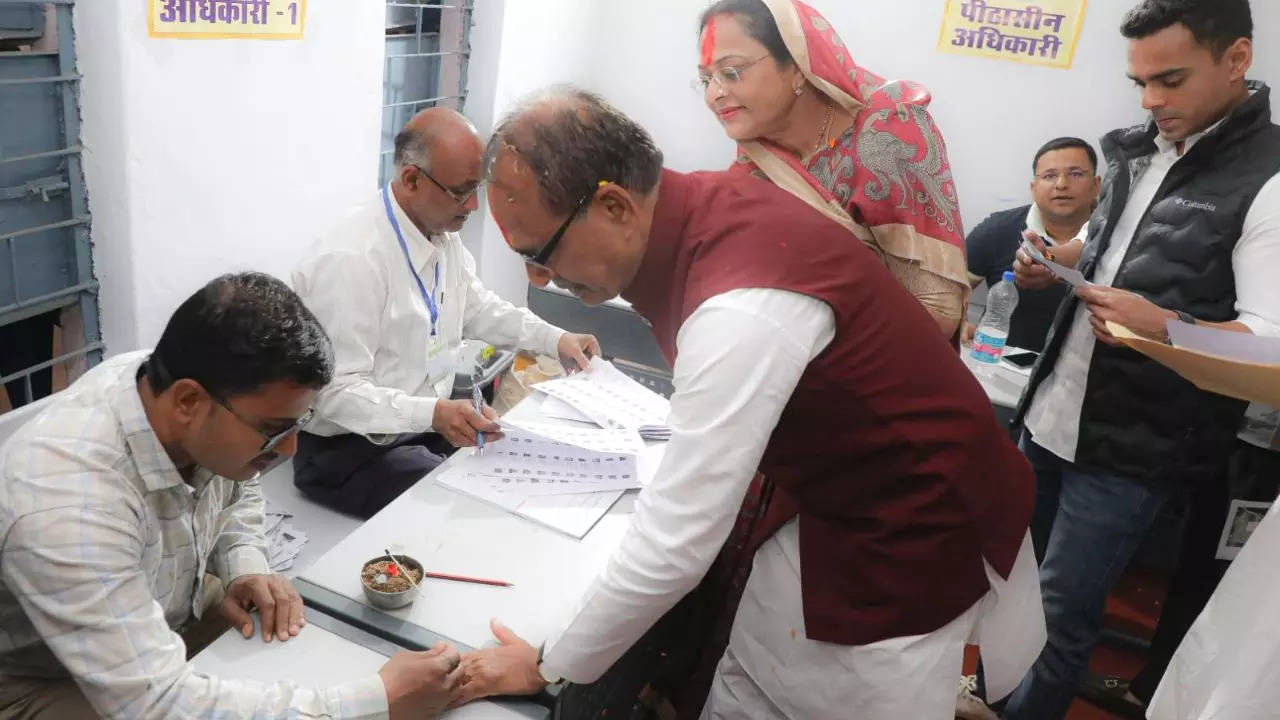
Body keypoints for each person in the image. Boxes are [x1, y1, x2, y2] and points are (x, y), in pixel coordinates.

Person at [447, 87, 1043, 719]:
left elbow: (675, 544)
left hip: (906, 532)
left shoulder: (740, 306)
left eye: (539, 256)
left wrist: (548, 663)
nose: (538, 280)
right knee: (750, 678)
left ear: (614, 205)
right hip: (823, 495)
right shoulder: (708, 206)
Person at [0, 272, 463, 719]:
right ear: (187, 402)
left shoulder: (174, 383)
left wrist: (243, 563)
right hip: (45, 680)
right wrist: (373, 704)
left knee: (299, 644)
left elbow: (239, 482)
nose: (289, 450)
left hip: (164, 614)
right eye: (273, 431)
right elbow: (158, 705)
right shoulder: (68, 504)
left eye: (298, 425)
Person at [1003, 1, 1280, 718]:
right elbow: (1110, 246)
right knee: (1013, 597)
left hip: (1134, 449)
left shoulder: (1269, 176)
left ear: (1237, 60)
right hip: (1049, 413)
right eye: (1139, 82)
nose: (1152, 100)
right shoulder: (1131, 148)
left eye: (1171, 80)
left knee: (1060, 619)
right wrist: (1053, 261)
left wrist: (1168, 326)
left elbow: (1270, 349)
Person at [292, 107, 600, 518]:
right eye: (460, 192)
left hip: (418, 425)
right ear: (412, 180)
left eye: (477, 188)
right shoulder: (352, 260)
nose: (473, 205)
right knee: (474, 504)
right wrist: (434, 414)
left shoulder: (439, 233)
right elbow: (335, 395)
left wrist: (555, 339)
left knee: (513, 467)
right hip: (349, 451)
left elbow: (479, 307)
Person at [696, 0, 970, 338]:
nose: (714, 95)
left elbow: (937, 310)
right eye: (706, 78)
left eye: (731, 72)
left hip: (880, 365)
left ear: (797, 66)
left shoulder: (887, 130)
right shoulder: (758, 153)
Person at [1145, 405, 1280, 720]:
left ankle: (1194, 700)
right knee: (1194, 569)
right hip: (1222, 433)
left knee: (1231, 589)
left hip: (1265, 452)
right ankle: (1153, 686)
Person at [963, 137, 1101, 353]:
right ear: (1033, 188)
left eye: (1075, 174)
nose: (1062, 184)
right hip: (1000, 368)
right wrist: (957, 324)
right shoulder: (998, 229)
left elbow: (1170, 326)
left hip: (1087, 378)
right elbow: (944, 290)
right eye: (1049, 176)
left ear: (1096, 185)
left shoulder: (1121, 236)